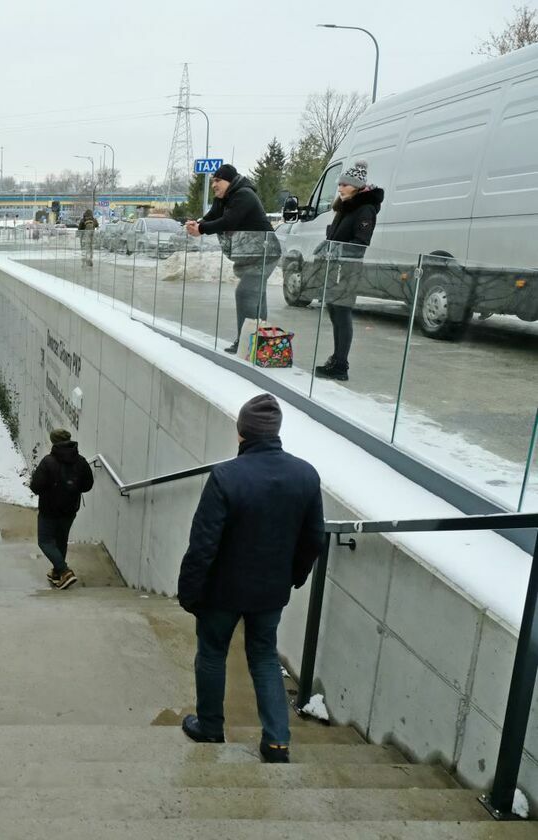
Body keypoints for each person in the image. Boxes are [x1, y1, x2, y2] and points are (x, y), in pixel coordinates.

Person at [176, 393, 324, 763]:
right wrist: (292, 577)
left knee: (211, 654)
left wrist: (190, 592)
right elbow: (314, 538)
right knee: (263, 658)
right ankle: (276, 742)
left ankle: (210, 728)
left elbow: (203, 544)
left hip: (221, 592)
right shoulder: (305, 475)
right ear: (275, 432)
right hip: (269, 592)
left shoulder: (226, 476)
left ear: (242, 432)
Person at [186, 164, 281, 354]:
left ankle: (245, 343)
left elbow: (229, 221)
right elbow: (212, 217)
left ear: (229, 181)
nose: (214, 185)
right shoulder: (223, 198)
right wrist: (197, 224)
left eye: (218, 181)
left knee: (245, 293)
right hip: (252, 254)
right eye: (213, 181)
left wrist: (202, 229)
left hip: (264, 253)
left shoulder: (244, 195)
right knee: (256, 298)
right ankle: (256, 344)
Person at [315, 161, 385, 382]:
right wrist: (326, 245)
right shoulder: (346, 206)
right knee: (335, 312)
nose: (340, 188)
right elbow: (336, 235)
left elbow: (360, 242)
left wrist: (336, 251)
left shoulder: (365, 209)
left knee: (342, 313)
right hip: (336, 268)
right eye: (340, 184)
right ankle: (336, 359)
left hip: (348, 269)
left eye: (345, 184)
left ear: (356, 186)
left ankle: (341, 364)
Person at [30, 429, 95, 589]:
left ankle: (65, 571)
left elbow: (36, 486)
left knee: (45, 541)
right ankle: (57, 573)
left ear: (53, 442)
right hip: (70, 509)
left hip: (49, 509)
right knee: (61, 540)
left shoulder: (48, 462)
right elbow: (87, 485)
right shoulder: (81, 461)